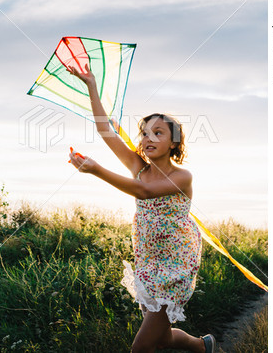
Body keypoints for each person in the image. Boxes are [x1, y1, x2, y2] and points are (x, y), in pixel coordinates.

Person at [68, 64, 216, 353]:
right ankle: (203, 346)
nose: (148, 138)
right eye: (145, 133)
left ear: (174, 142)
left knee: (141, 347)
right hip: (149, 261)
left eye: (158, 133)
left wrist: (97, 170)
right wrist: (91, 85)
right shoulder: (138, 167)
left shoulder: (181, 177)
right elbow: (104, 129)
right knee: (162, 338)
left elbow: (144, 192)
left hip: (176, 264)